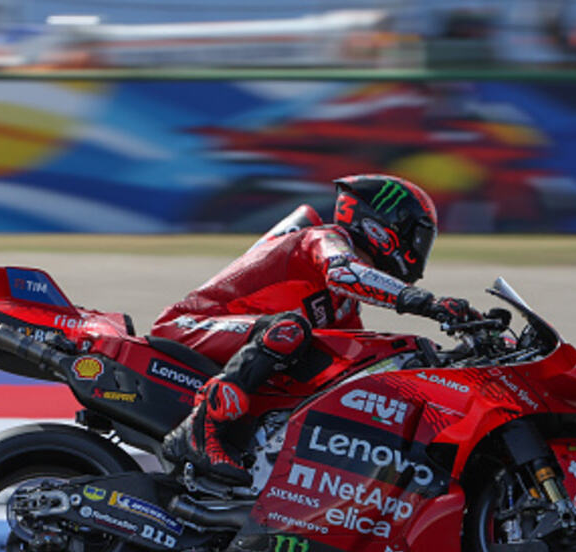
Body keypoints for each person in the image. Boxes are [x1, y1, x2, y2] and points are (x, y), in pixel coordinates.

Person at [154, 173, 479, 484]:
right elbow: (345, 273)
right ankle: (197, 430)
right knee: (289, 329)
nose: (420, 250)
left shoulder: (345, 305)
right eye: (417, 237)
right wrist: (426, 302)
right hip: (189, 325)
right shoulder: (325, 239)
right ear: (385, 226)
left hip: (238, 339)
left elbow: (357, 358)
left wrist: (442, 359)